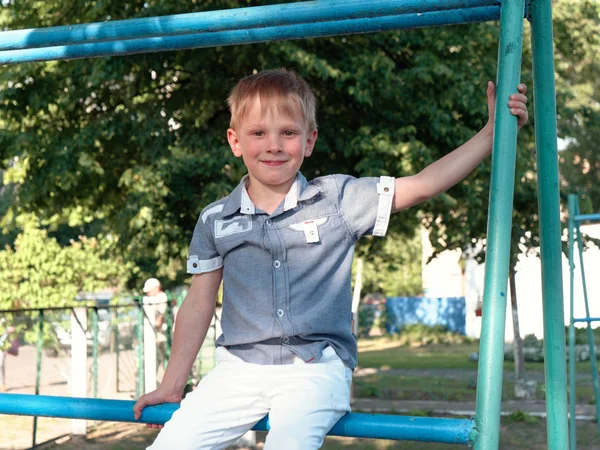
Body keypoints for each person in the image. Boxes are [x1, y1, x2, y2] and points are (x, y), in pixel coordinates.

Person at [134, 69, 528, 449]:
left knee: (288, 444)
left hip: (315, 368)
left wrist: (491, 135)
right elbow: (198, 303)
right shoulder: (216, 219)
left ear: (309, 141)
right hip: (238, 369)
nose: (273, 145)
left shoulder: (337, 200)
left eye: (288, 132)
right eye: (258, 133)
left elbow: (422, 186)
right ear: (235, 142)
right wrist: (173, 383)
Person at [142, 278, 169, 366]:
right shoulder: (151, 299)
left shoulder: (162, 297)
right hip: (156, 334)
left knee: (161, 358)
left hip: (160, 334)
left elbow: (159, 319)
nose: (148, 293)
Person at [0, 321, 19, 392]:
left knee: (0, 365)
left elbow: (12, 329)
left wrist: (8, 329)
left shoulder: (4, 320)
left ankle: (2, 384)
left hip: (2, 348)